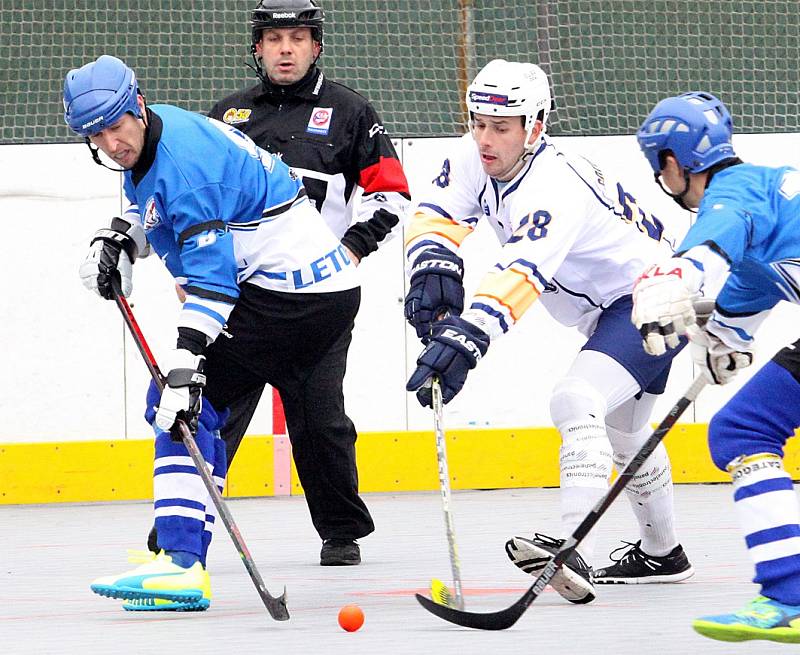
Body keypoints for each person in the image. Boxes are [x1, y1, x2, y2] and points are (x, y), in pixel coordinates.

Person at [65, 54, 364, 611]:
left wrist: (186, 363)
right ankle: (179, 555)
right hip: (298, 291)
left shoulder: (187, 164)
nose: (109, 142)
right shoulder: (157, 136)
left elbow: (213, 283)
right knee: (185, 399)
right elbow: (148, 210)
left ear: (137, 106)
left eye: (114, 125)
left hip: (297, 298)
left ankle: (181, 563)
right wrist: (116, 242)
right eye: (95, 134)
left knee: (182, 395)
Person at [403, 58, 694, 605]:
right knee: (625, 432)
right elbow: (436, 216)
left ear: (535, 127)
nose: (484, 139)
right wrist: (431, 271)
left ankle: (568, 542)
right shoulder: (474, 155)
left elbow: (521, 275)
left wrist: (466, 339)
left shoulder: (555, 184)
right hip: (608, 308)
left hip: (657, 299)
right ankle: (664, 554)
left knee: (575, 397)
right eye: (477, 122)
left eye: (501, 127)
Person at [201, 0, 409, 567]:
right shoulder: (226, 117)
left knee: (320, 419)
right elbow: (201, 205)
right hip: (239, 301)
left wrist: (350, 251)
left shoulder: (350, 111)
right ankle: (182, 526)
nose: (285, 49)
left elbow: (392, 198)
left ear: (316, 45)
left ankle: (341, 532)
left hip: (317, 303)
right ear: (258, 47)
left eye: (297, 38)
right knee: (209, 408)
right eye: (273, 38)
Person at [632, 91, 800, 644]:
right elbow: (744, 299)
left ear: (673, 164)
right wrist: (723, 340)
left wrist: (671, 280)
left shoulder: (731, 198)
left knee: (744, 430)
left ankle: (789, 596)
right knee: (743, 427)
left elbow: (708, 251)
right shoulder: (763, 201)